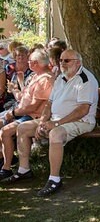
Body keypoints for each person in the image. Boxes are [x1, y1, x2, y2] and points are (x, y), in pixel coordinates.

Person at [5, 50, 97, 197]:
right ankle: (24, 170)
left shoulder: (85, 79)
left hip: (81, 121)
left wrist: (55, 124)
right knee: (23, 128)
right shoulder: (61, 78)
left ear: (78, 62)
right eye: (60, 60)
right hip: (55, 119)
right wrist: (42, 122)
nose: (62, 63)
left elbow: (83, 110)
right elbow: (49, 103)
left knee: (55, 133)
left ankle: (54, 179)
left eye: (67, 61)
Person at [0, 50, 54, 180]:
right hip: (23, 112)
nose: (28, 62)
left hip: (33, 116)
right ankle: (5, 161)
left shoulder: (45, 79)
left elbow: (33, 106)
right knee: (2, 125)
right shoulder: (37, 76)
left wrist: (12, 113)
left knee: (5, 132)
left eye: (29, 60)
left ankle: (6, 167)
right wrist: (15, 89)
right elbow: (24, 97)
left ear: (35, 63)